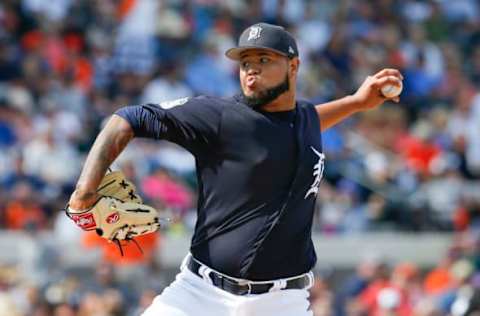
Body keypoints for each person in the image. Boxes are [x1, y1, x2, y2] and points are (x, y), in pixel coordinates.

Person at [68, 23, 403, 316]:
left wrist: (357, 102)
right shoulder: (220, 117)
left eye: (264, 60)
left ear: (294, 66)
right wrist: (85, 190)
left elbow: (308, 120)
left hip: (283, 302)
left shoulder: (303, 119)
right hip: (200, 295)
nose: (251, 70)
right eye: (245, 62)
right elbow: (127, 118)